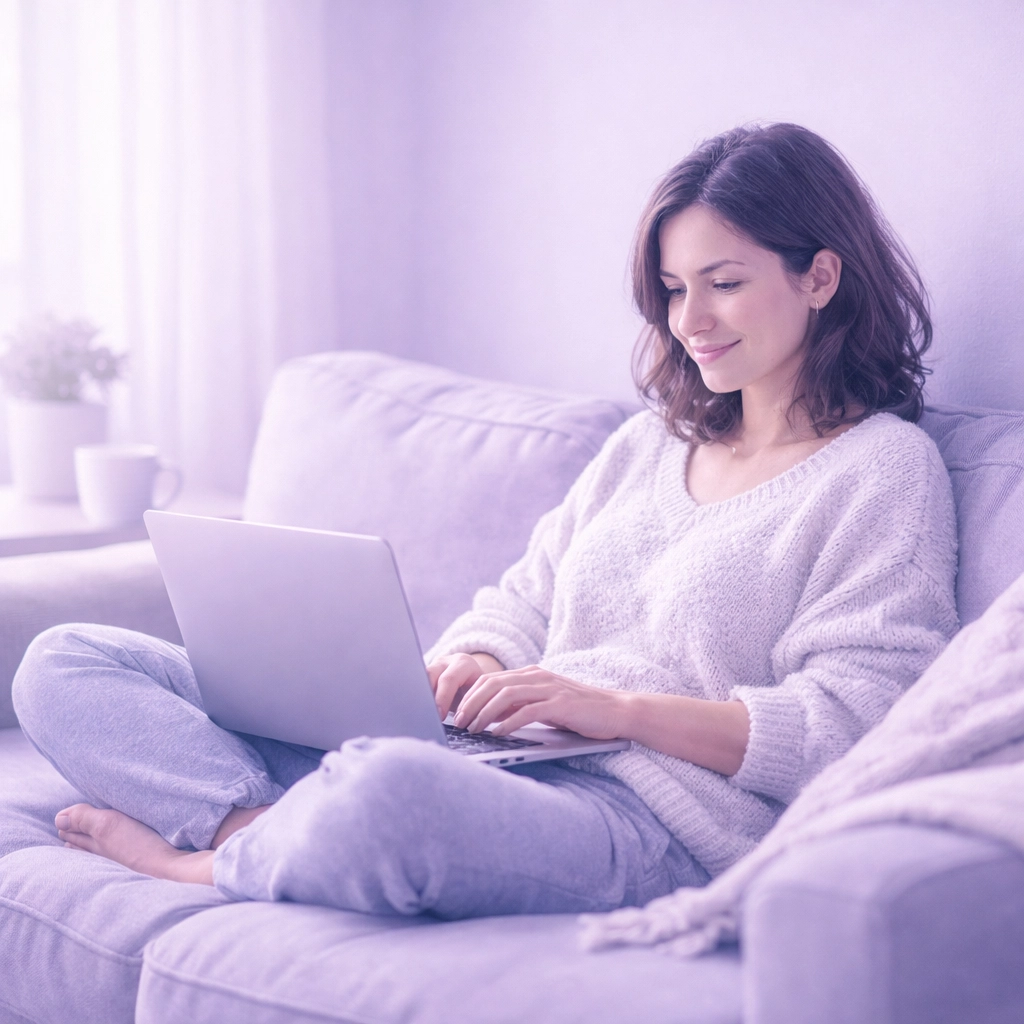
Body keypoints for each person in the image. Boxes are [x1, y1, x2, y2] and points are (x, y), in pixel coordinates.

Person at [12, 123, 959, 918]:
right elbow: (521, 600)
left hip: (640, 817)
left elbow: (858, 725)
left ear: (821, 277)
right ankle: (253, 833)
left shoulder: (882, 470)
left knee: (391, 795)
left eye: (722, 281)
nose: (689, 320)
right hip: (501, 757)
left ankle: (203, 861)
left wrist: (620, 713)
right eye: (672, 290)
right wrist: (476, 661)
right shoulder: (648, 446)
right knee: (69, 661)